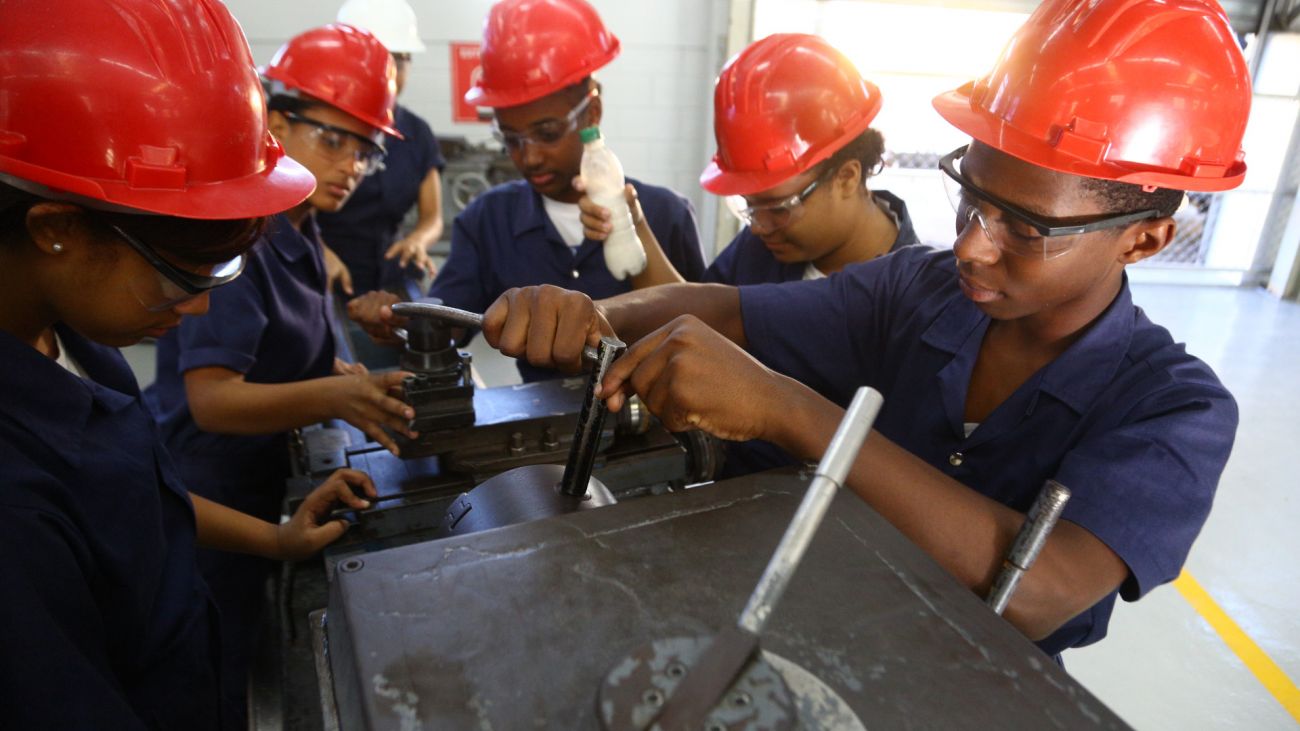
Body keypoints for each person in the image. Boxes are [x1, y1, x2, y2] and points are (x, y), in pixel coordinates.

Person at [474, 0, 1248, 659]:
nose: (974, 243)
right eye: (972, 197)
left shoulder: (1175, 409)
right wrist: (594, 314)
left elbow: (1037, 588)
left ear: (1144, 238)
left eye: (1026, 226)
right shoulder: (919, 288)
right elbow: (727, 307)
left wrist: (790, 411)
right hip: (817, 623)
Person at [0, 2, 375, 728]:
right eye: (183, 276)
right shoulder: (14, 505)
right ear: (57, 231)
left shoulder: (79, 346)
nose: (199, 312)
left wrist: (276, 537)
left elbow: (136, 500)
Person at [144, 23, 417, 725]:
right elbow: (210, 398)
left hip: (263, 484)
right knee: (203, 673)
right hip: (204, 498)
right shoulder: (248, 235)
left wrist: (340, 370)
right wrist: (338, 393)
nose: (351, 164)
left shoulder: (300, 226)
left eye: (364, 148)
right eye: (333, 139)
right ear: (273, 117)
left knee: (241, 662)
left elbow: (285, 347)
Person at [349, 0, 706, 383]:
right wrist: (405, 322)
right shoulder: (486, 222)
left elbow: (704, 337)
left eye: (547, 133)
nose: (530, 157)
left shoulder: (666, 216)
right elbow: (448, 324)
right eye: (511, 138)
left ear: (593, 111)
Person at [318, 0, 446, 299]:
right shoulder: (322, 127)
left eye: (400, 60)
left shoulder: (416, 133)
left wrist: (418, 239)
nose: (391, 72)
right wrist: (316, 251)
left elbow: (433, 217)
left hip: (392, 276)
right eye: (378, 60)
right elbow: (284, 213)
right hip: (328, 276)